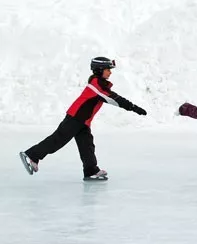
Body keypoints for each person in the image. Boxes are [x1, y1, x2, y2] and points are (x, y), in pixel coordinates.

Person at [19, 57, 147, 181]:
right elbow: (113, 98)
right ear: (100, 69)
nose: (110, 72)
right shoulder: (96, 85)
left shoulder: (99, 84)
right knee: (58, 140)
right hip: (75, 118)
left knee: (87, 146)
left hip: (83, 121)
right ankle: (32, 155)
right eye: (108, 69)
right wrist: (134, 107)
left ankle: (91, 171)